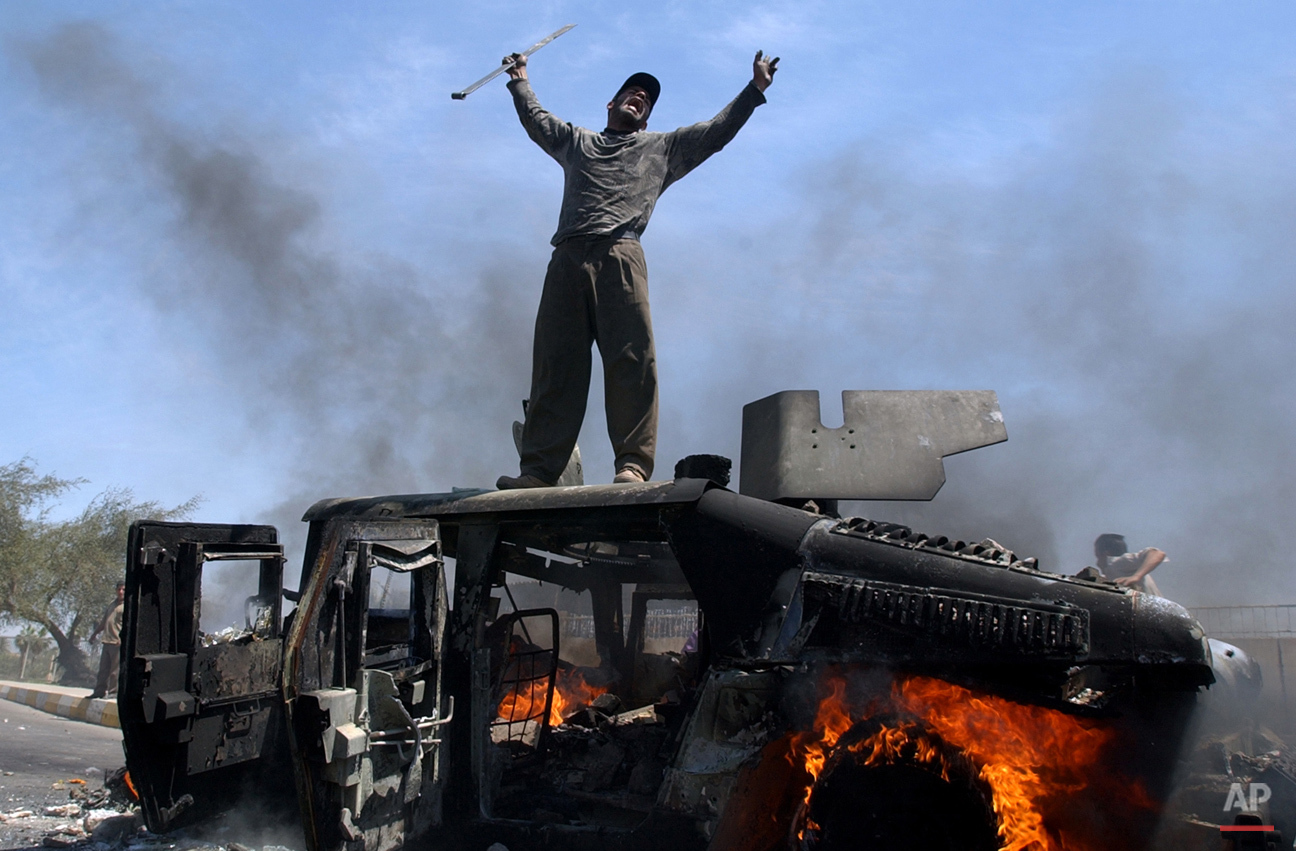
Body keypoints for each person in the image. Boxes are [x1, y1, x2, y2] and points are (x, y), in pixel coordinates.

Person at [495, 49, 779, 489]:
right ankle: (537, 471)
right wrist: (519, 79)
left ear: (645, 120)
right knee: (556, 364)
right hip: (568, 258)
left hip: (621, 256)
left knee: (632, 361)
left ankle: (632, 464)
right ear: (611, 104)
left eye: (647, 99)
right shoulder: (578, 142)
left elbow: (715, 133)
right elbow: (537, 120)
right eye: (632, 92)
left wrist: (754, 89)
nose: (640, 97)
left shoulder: (661, 148)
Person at [1094, 533, 1167, 595]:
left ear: (1105, 554)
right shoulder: (1113, 571)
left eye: (1098, 556)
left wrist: (1136, 576)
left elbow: (1157, 553)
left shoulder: (1118, 562)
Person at [88, 580, 125, 699]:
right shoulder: (112, 604)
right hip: (107, 640)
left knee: (115, 670)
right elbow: (104, 622)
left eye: (123, 589)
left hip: (117, 642)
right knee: (103, 669)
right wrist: (94, 634)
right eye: (119, 589)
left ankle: (113, 692)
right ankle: (99, 691)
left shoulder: (127, 606)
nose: (120, 592)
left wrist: (122, 638)